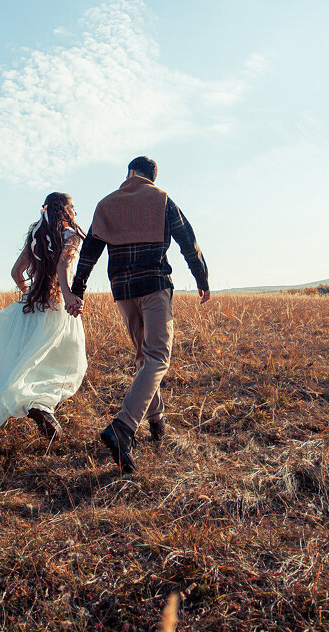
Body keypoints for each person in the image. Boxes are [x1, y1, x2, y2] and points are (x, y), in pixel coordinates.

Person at [68, 156, 210, 474]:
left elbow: (90, 249)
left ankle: (157, 421)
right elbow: (189, 241)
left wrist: (78, 287)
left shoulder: (107, 203)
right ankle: (123, 427)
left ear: (130, 173)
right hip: (154, 285)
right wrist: (201, 279)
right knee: (158, 356)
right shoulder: (161, 199)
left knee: (145, 358)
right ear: (151, 178)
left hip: (123, 291)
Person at [0, 192, 87, 442]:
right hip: (57, 306)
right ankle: (41, 405)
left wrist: (30, 295)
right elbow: (63, 266)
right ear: (64, 211)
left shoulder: (36, 235)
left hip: (29, 307)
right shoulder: (70, 235)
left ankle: (33, 403)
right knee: (66, 364)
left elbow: (16, 272)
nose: (76, 213)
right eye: (73, 208)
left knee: (23, 361)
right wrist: (67, 296)